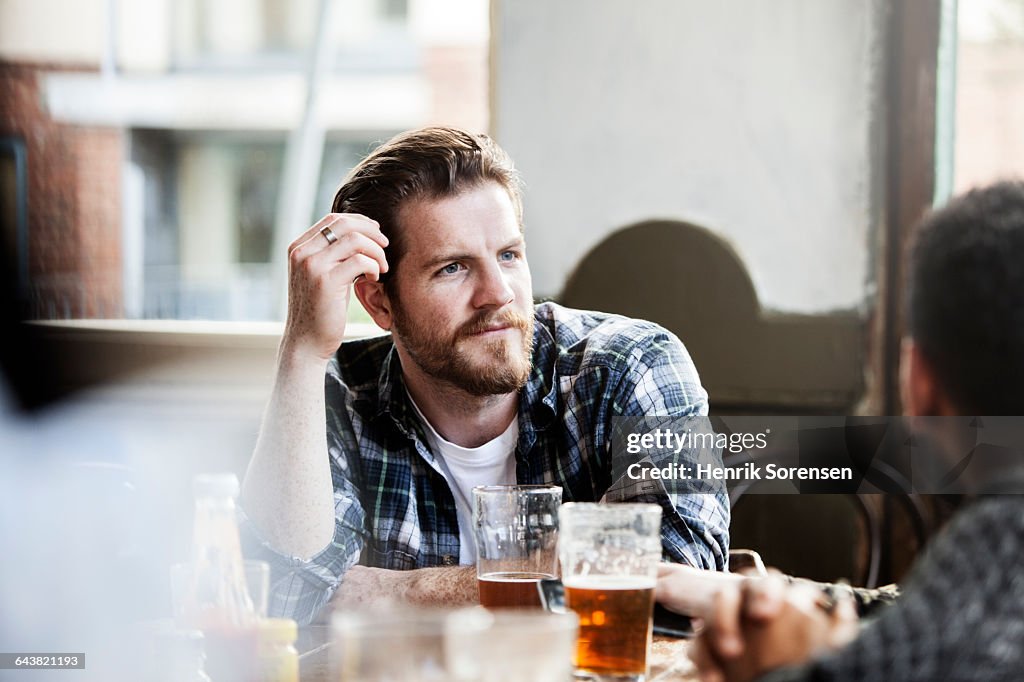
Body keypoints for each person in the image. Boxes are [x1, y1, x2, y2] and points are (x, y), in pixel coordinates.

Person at [239, 126, 730, 625]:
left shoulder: (632, 365)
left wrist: (382, 592)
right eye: (453, 268)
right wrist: (302, 350)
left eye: (509, 255)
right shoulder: (334, 393)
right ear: (379, 300)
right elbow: (282, 600)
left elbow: (672, 575)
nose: (498, 293)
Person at [657, 180, 1024, 682]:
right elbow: (920, 611)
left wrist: (772, 659)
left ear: (919, 382)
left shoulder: (999, 547)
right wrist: (749, 593)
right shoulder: (979, 581)